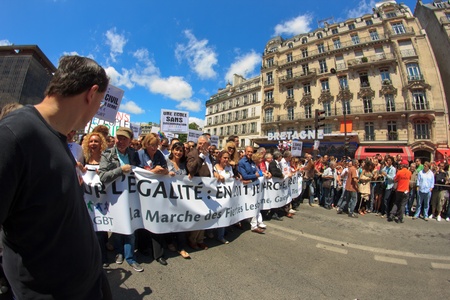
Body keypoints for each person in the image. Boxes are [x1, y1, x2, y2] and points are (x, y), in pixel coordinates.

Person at [0, 55, 112, 299]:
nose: (97, 110)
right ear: (91, 94)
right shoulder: (14, 134)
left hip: (87, 285)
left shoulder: (57, 136)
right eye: (100, 102)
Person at [98, 127, 144, 272]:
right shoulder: (107, 154)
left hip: (131, 197)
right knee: (118, 228)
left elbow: (140, 172)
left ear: (130, 141)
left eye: (124, 138)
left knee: (130, 228)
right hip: (115, 198)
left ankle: (130, 258)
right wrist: (120, 170)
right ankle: (119, 252)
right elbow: (103, 177)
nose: (120, 141)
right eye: (118, 137)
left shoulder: (133, 154)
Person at [135, 133, 168, 266]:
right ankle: (143, 248)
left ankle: (158, 254)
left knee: (156, 220)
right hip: (142, 193)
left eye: (156, 145)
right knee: (144, 221)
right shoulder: (139, 154)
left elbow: (165, 168)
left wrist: (164, 171)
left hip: (157, 193)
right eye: (152, 145)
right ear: (146, 144)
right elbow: (136, 170)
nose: (154, 148)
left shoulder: (159, 154)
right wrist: (153, 171)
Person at [186, 135, 213, 250]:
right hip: (197, 189)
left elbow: (211, 169)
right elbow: (191, 169)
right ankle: (192, 240)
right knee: (198, 215)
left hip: (208, 189)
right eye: (199, 143)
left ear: (208, 145)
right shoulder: (193, 154)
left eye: (204, 143)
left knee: (205, 215)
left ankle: (200, 239)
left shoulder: (210, 156)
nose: (201, 145)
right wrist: (201, 156)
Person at [166, 142, 191, 259]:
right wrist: (166, 173)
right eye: (176, 150)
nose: (178, 153)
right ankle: (170, 242)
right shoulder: (166, 162)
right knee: (170, 221)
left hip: (182, 199)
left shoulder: (184, 164)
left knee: (181, 223)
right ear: (172, 150)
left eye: (181, 151)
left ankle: (181, 247)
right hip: (168, 198)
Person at [213, 150, 235, 243]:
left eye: (227, 158)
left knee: (224, 214)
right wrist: (216, 175)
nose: (226, 160)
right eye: (224, 158)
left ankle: (221, 234)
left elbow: (233, 178)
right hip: (216, 195)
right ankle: (214, 233)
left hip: (227, 195)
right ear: (220, 158)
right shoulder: (214, 167)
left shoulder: (229, 168)